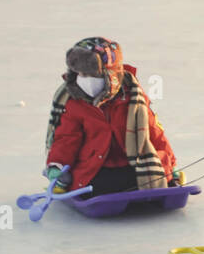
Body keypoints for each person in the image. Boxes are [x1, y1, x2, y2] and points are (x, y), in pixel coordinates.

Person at [44, 37, 179, 196]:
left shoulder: (133, 100)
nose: (84, 80)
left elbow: (153, 133)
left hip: (132, 164)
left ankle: (158, 185)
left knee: (148, 178)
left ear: (110, 75)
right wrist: (57, 165)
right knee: (100, 185)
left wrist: (171, 165)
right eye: (80, 74)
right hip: (96, 168)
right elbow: (66, 138)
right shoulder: (75, 104)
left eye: (91, 75)